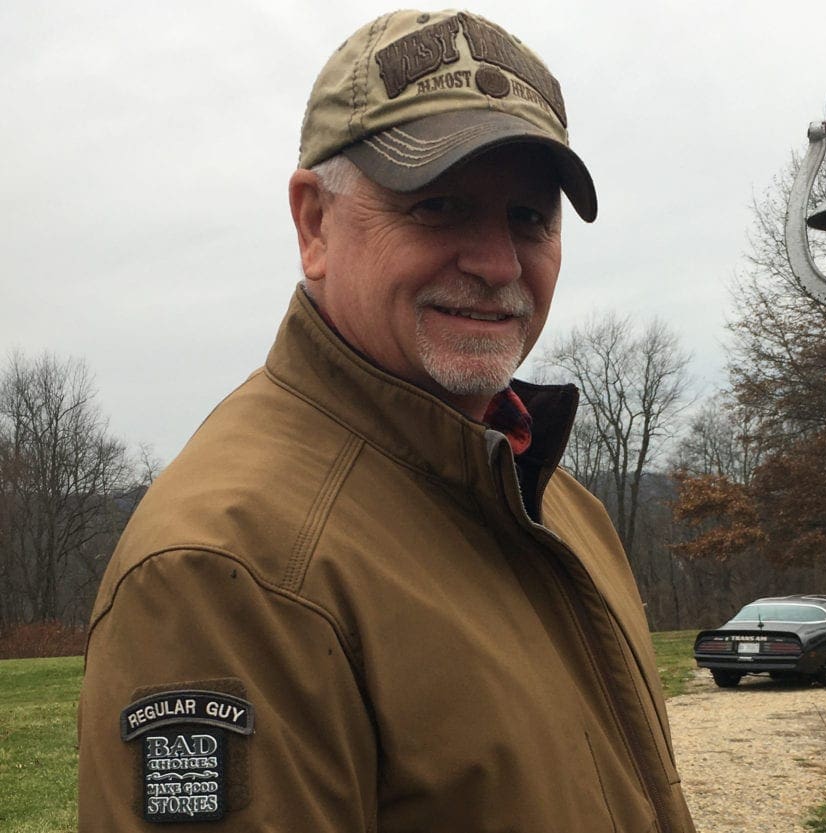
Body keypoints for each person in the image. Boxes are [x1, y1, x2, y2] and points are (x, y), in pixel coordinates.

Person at [77, 10, 697, 832]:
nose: (498, 263)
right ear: (314, 224)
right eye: (439, 206)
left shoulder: (561, 511)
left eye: (529, 216)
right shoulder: (227, 572)